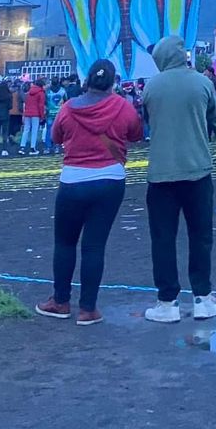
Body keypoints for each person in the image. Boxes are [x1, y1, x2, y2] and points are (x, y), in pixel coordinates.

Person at [34, 60, 141, 323]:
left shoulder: (69, 108)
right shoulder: (123, 107)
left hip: (73, 179)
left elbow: (56, 137)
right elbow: (136, 133)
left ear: (87, 80)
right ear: (114, 81)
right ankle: (88, 308)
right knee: (94, 246)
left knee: (65, 242)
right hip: (110, 180)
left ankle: (60, 301)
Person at [142, 36, 216, 325]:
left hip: (161, 173)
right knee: (201, 236)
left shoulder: (151, 86)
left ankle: (167, 301)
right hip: (198, 169)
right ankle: (202, 297)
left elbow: (147, 118)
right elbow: (212, 113)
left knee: (163, 239)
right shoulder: (202, 82)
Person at [21, 79, 46, 155]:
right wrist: (42, 116)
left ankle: (22, 147)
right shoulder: (41, 93)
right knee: (34, 131)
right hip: (36, 114)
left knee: (26, 130)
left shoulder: (29, 92)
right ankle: (32, 148)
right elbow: (41, 106)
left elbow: (26, 103)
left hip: (27, 113)